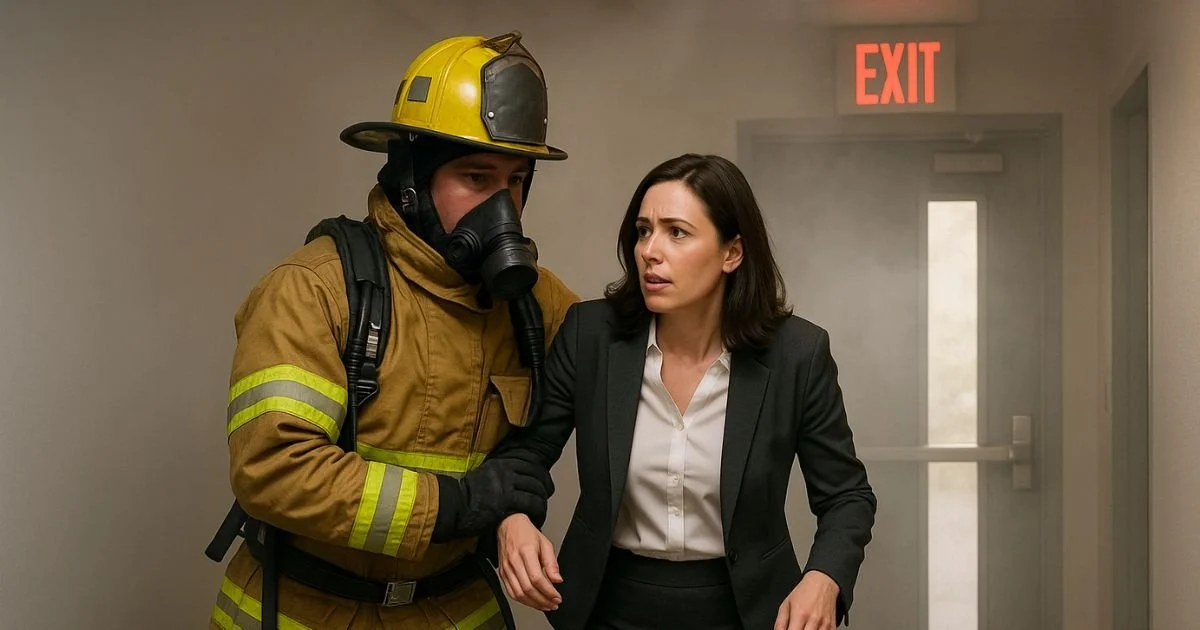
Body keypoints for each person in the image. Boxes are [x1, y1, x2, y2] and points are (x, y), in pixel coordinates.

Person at [206, 31, 580, 630]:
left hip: (457, 608)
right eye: (477, 178)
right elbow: (273, 468)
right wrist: (456, 505)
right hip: (308, 609)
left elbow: (626, 363)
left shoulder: (535, 304)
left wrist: (513, 507)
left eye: (516, 180)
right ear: (411, 178)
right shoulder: (314, 288)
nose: (503, 207)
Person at [488, 153, 877, 630]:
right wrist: (513, 518)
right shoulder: (590, 336)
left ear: (732, 253)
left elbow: (847, 496)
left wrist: (824, 578)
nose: (650, 251)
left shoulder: (798, 354)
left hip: (750, 611)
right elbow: (527, 453)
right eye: (643, 231)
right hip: (607, 606)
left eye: (677, 232)